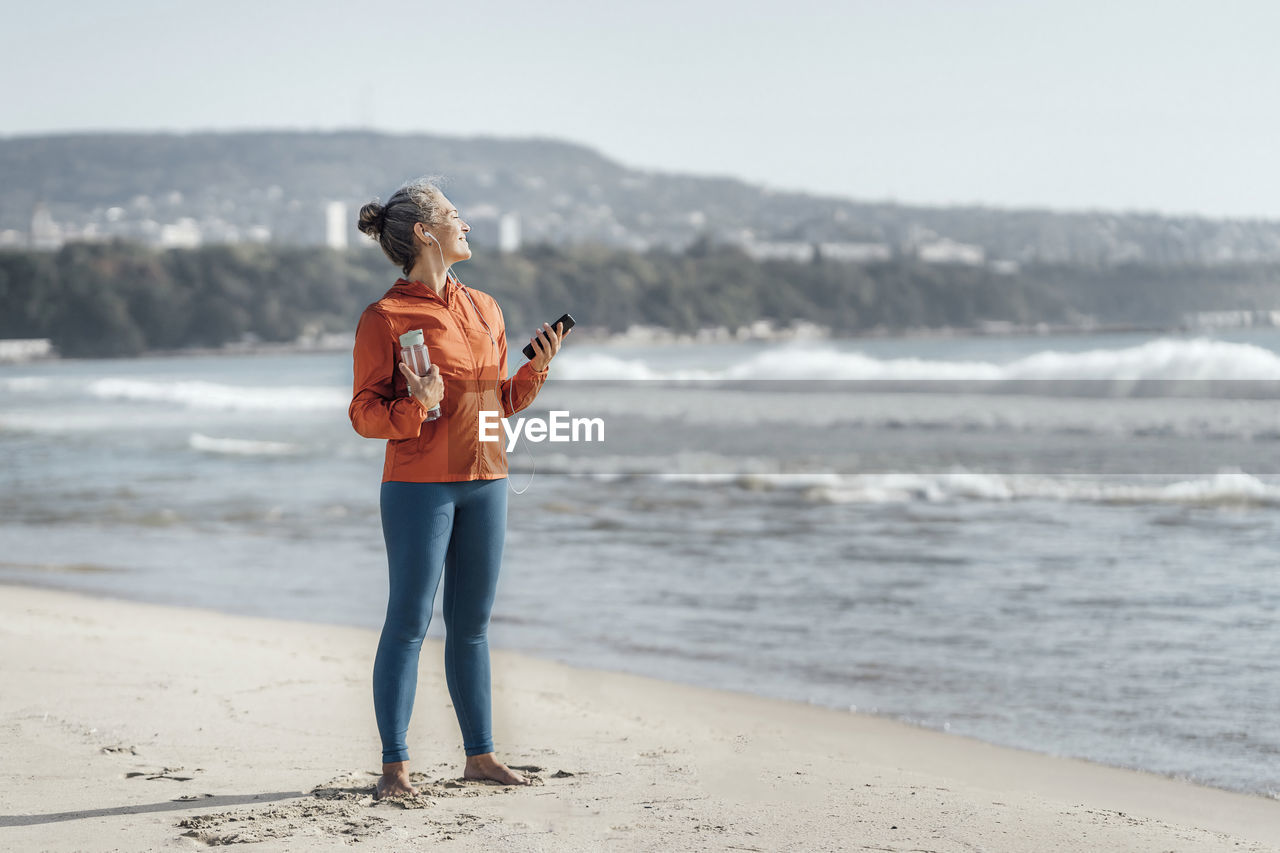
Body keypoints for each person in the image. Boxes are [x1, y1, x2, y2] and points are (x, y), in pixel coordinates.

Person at [350, 176, 569, 799]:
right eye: (453, 215)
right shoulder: (385, 318)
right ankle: (395, 767)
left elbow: (495, 402)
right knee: (408, 623)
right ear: (426, 233)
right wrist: (414, 408)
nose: (464, 224)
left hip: (487, 479)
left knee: (472, 625)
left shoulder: (487, 308)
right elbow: (364, 412)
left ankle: (480, 755)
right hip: (420, 485)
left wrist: (535, 371)